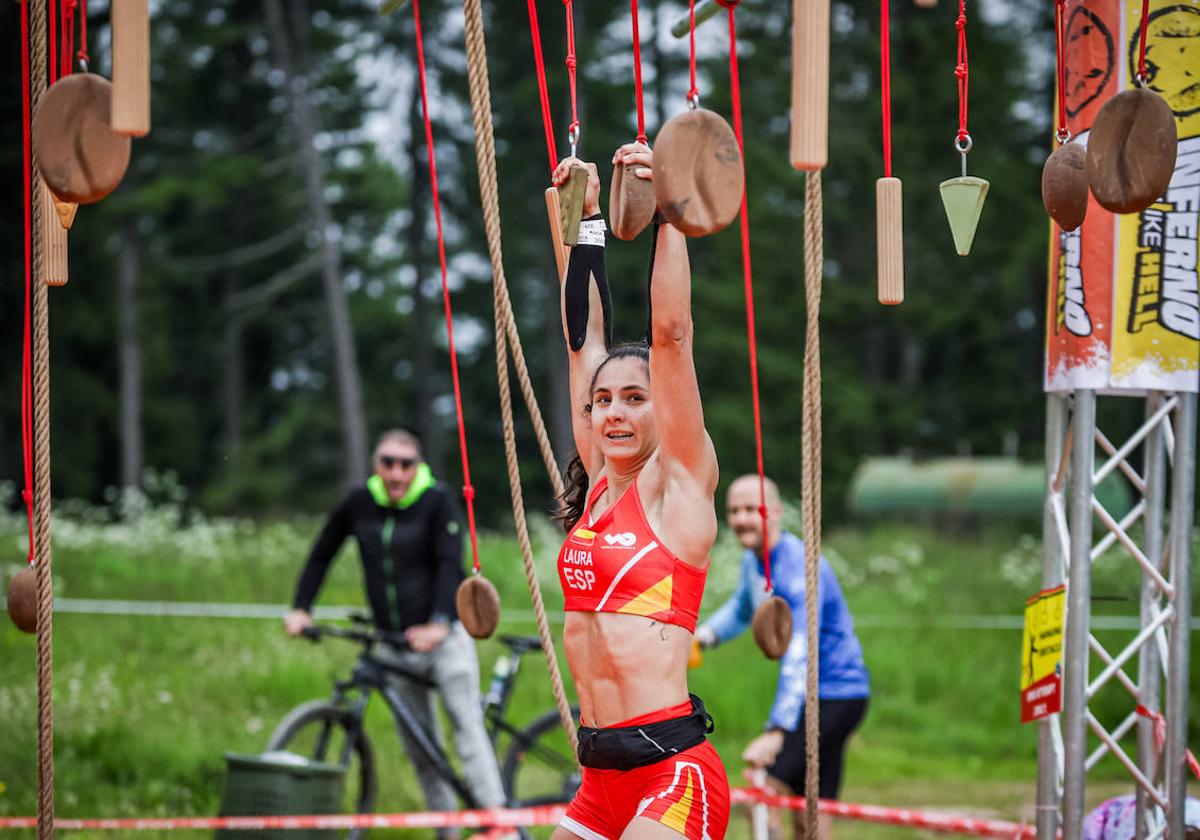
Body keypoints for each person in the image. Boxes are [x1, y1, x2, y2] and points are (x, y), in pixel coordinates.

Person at [549, 144, 730, 840]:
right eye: (604, 402)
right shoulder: (598, 484)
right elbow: (581, 337)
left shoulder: (679, 484)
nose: (615, 412)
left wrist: (667, 212)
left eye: (634, 397)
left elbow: (672, 336)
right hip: (600, 782)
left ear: (665, 409)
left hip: (672, 774)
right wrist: (587, 218)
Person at [283, 429, 507, 831]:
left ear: (417, 467)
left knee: (467, 730)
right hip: (394, 643)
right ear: (376, 466)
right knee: (422, 752)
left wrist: (438, 623)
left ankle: (499, 828)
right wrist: (301, 608)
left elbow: (448, 564)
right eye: (388, 462)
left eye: (405, 463)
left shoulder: (436, 501)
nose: (396, 472)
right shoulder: (359, 502)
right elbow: (322, 553)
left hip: (444, 643)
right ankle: (448, 832)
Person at [695, 475, 869, 840]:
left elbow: (799, 657)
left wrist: (777, 731)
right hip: (817, 696)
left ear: (774, 512)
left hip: (835, 696)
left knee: (767, 789)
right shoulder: (754, 561)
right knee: (813, 808)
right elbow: (744, 608)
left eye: (750, 509)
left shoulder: (798, 567)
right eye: (734, 511)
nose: (741, 519)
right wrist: (703, 638)